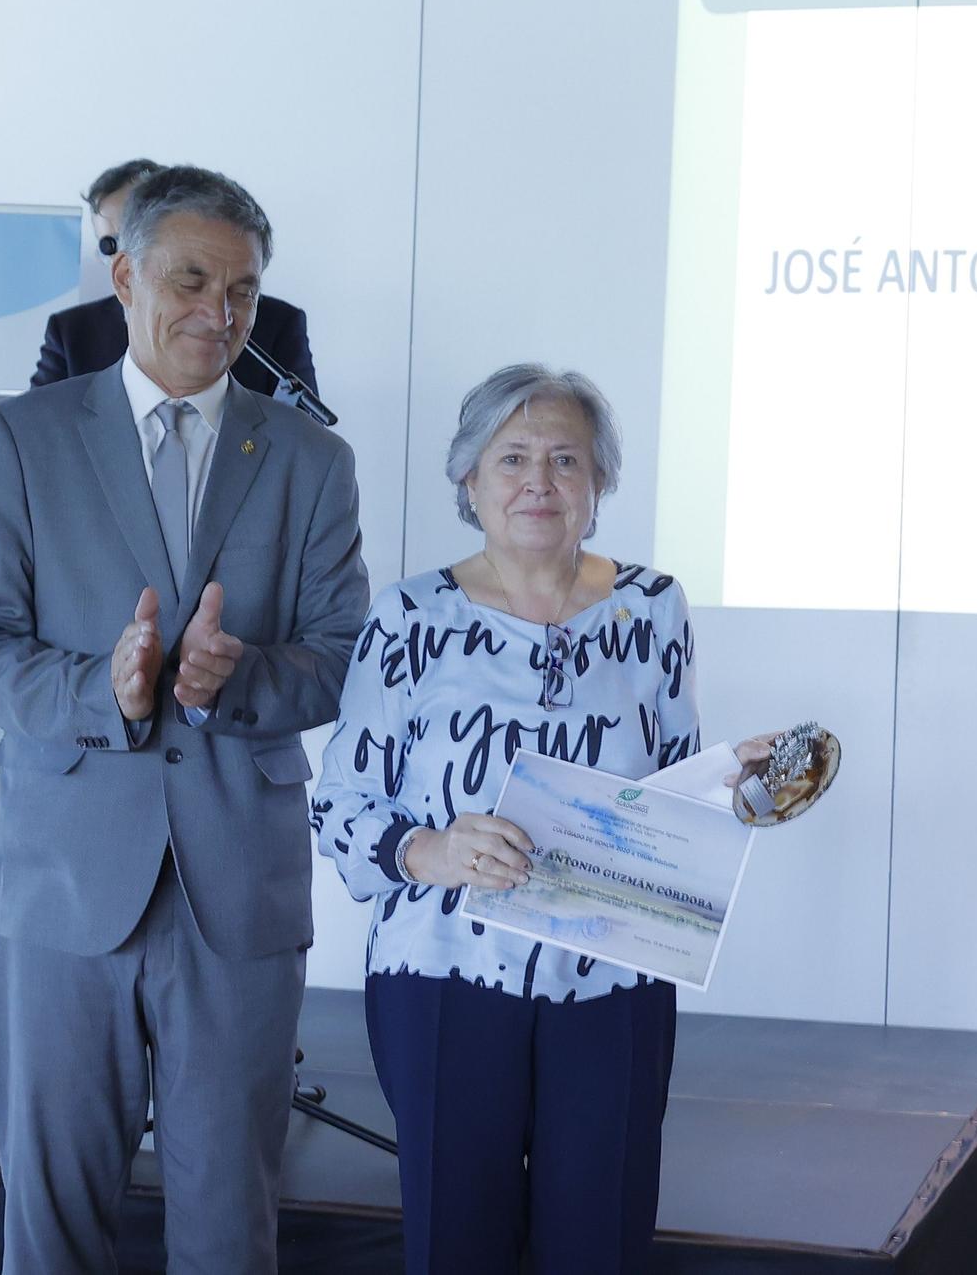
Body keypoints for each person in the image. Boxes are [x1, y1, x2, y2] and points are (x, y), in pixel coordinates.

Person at [0, 164, 368, 1273]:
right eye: (189, 280)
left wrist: (237, 679)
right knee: (54, 1228)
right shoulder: (19, 440)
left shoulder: (312, 460)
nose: (216, 316)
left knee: (230, 1232)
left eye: (243, 293)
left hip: (238, 899)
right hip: (60, 891)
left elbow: (341, 659)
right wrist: (101, 689)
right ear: (123, 277)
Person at [314, 364, 763, 1275]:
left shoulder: (652, 607)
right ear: (468, 481)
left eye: (566, 459)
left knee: (600, 1236)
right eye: (511, 457)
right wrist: (432, 847)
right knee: (458, 1239)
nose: (539, 481)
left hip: (616, 972)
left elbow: (672, 790)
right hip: (444, 971)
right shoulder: (409, 616)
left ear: (598, 485)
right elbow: (342, 805)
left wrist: (738, 794)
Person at [31, 158, 320, 398]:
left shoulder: (271, 323)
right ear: (123, 273)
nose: (218, 318)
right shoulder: (72, 332)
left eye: (142, 220)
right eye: (112, 242)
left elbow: (302, 441)